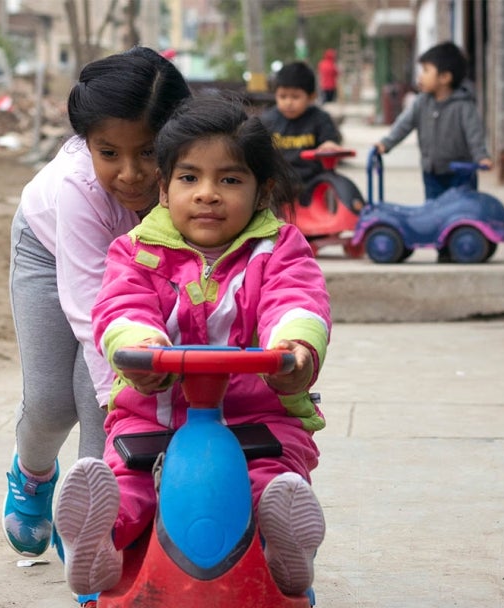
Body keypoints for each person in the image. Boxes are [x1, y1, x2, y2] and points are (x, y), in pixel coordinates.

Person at [53, 95, 331, 599]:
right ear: (163, 189)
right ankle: (99, 545)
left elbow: (296, 299)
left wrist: (295, 347)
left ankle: (285, 552)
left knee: (272, 480)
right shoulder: (136, 252)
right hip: (154, 415)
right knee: (128, 484)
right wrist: (141, 347)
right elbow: (121, 308)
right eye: (189, 178)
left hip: (258, 415)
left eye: (229, 179)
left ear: (262, 191)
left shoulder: (279, 250)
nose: (207, 194)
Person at [2, 46, 192, 564]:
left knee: (94, 403)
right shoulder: (76, 187)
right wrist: (121, 402)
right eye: (109, 153)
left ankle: (92, 531)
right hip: (49, 251)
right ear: (87, 144)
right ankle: (33, 475)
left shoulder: (194, 174)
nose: (129, 174)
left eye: (149, 152)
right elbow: (90, 314)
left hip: (137, 265)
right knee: (53, 402)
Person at [375, 41, 493, 201]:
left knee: (461, 212)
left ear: (445, 77)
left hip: (460, 174)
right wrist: (386, 143)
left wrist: (481, 156)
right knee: (433, 211)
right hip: (432, 173)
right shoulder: (421, 102)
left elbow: (474, 135)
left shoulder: (464, 105)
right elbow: (404, 125)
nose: (420, 76)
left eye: (425, 71)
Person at [260, 61, 342, 202]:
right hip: (278, 182)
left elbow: (330, 140)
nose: (288, 102)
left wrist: (329, 145)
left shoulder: (320, 118)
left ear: (311, 97)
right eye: (283, 96)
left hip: (312, 180)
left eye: (295, 97)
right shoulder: (267, 120)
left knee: (335, 188)